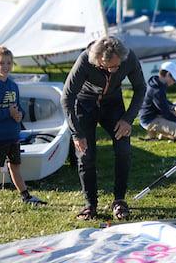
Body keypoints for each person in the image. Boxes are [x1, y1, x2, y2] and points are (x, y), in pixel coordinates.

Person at [61, 36, 146, 221]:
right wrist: (77, 134)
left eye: (117, 66)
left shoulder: (128, 57)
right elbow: (67, 98)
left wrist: (128, 119)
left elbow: (140, 88)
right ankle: (90, 204)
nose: (113, 70)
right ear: (98, 59)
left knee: (123, 149)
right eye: (108, 67)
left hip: (112, 104)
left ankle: (120, 200)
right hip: (85, 104)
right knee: (85, 154)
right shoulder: (85, 60)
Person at [0, 46, 47, 215]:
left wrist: (19, 116)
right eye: (2, 63)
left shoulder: (13, 85)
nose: (6, 66)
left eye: (9, 62)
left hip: (13, 134)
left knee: (15, 166)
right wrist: (7, 113)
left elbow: (18, 108)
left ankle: (26, 196)